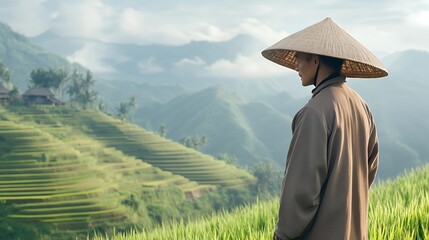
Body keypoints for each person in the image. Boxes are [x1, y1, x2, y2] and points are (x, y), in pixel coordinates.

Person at [261, 17, 388, 240]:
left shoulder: (314, 112)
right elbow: (369, 169)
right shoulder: (361, 105)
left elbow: (302, 190)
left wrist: (283, 234)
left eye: (300, 59)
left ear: (316, 60)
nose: (297, 67)